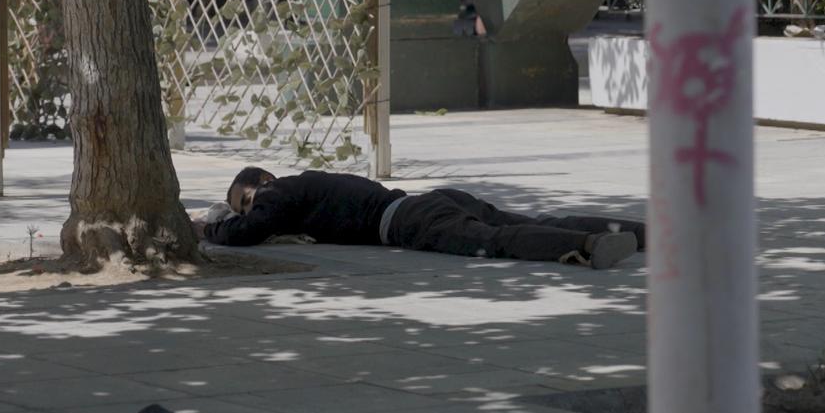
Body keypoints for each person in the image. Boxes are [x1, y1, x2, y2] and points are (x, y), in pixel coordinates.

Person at [197, 167, 647, 270]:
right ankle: (644, 233)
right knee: (539, 217)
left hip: (409, 220)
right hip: (431, 200)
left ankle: (589, 248)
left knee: (497, 239)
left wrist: (209, 226)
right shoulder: (306, 187)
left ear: (263, 181)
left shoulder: (280, 190)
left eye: (246, 199)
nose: (249, 210)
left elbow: (248, 232)